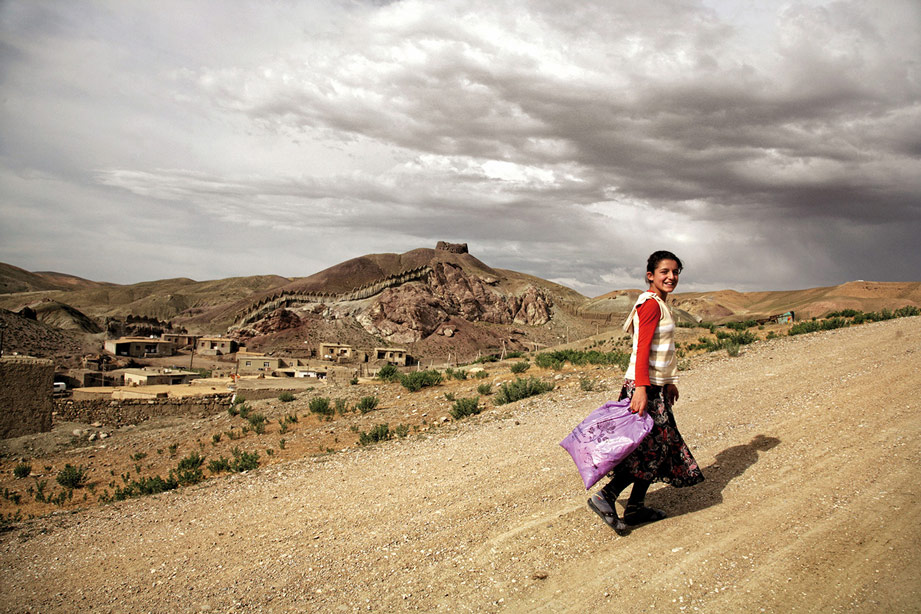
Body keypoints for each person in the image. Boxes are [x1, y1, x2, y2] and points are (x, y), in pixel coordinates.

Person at [587, 250, 704, 535]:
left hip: (654, 385)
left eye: (676, 272)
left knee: (654, 448)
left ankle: (637, 507)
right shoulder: (651, 305)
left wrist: (668, 382)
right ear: (650, 275)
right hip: (644, 388)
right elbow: (641, 350)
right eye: (665, 272)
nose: (671, 277)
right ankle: (607, 496)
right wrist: (641, 388)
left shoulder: (659, 304)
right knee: (650, 449)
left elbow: (658, 351)